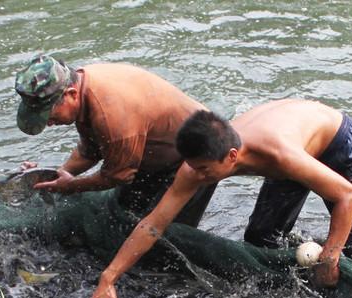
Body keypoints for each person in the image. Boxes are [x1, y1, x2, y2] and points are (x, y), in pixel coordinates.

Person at [87, 100, 352, 298]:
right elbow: (153, 224)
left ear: (232, 156)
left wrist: (329, 258)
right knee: (261, 241)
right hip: (297, 150)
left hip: (340, 144)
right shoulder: (196, 166)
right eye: (193, 167)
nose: (196, 176)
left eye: (203, 169)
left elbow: (348, 197)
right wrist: (109, 277)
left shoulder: (278, 154)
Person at [13, 54, 215, 225]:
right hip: (150, 152)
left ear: (71, 95)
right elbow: (89, 150)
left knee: (164, 235)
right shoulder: (80, 83)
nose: (48, 123)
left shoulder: (111, 115)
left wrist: (71, 185)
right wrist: (58, 175)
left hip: (199, 157)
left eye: (48, 114)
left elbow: (118, 176)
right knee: (125, 218)